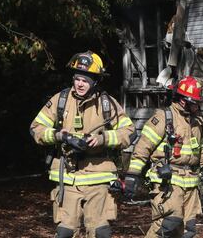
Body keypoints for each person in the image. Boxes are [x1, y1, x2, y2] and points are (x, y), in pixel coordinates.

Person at [30, 51, 135, 238]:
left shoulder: (107, 103)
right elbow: (36, 128)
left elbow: (129, 131)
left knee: (100, 233)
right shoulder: (60, 100)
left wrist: (103, 139)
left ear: (95, 81)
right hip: (67, 177)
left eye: (85, 81)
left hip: (99, 178)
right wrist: (59, 136)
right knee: (65, 233)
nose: (79, 84)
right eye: (77, 79)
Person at [124, 76, 203, 238]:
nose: (198, 105)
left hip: (190, 183)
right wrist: (132, 175)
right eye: (195, 102)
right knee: (167, 224)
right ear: (183, 101)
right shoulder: (163, 118)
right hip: (167, 181)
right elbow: (142, 147)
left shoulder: (197, 121)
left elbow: (200, 149)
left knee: (188, 230)